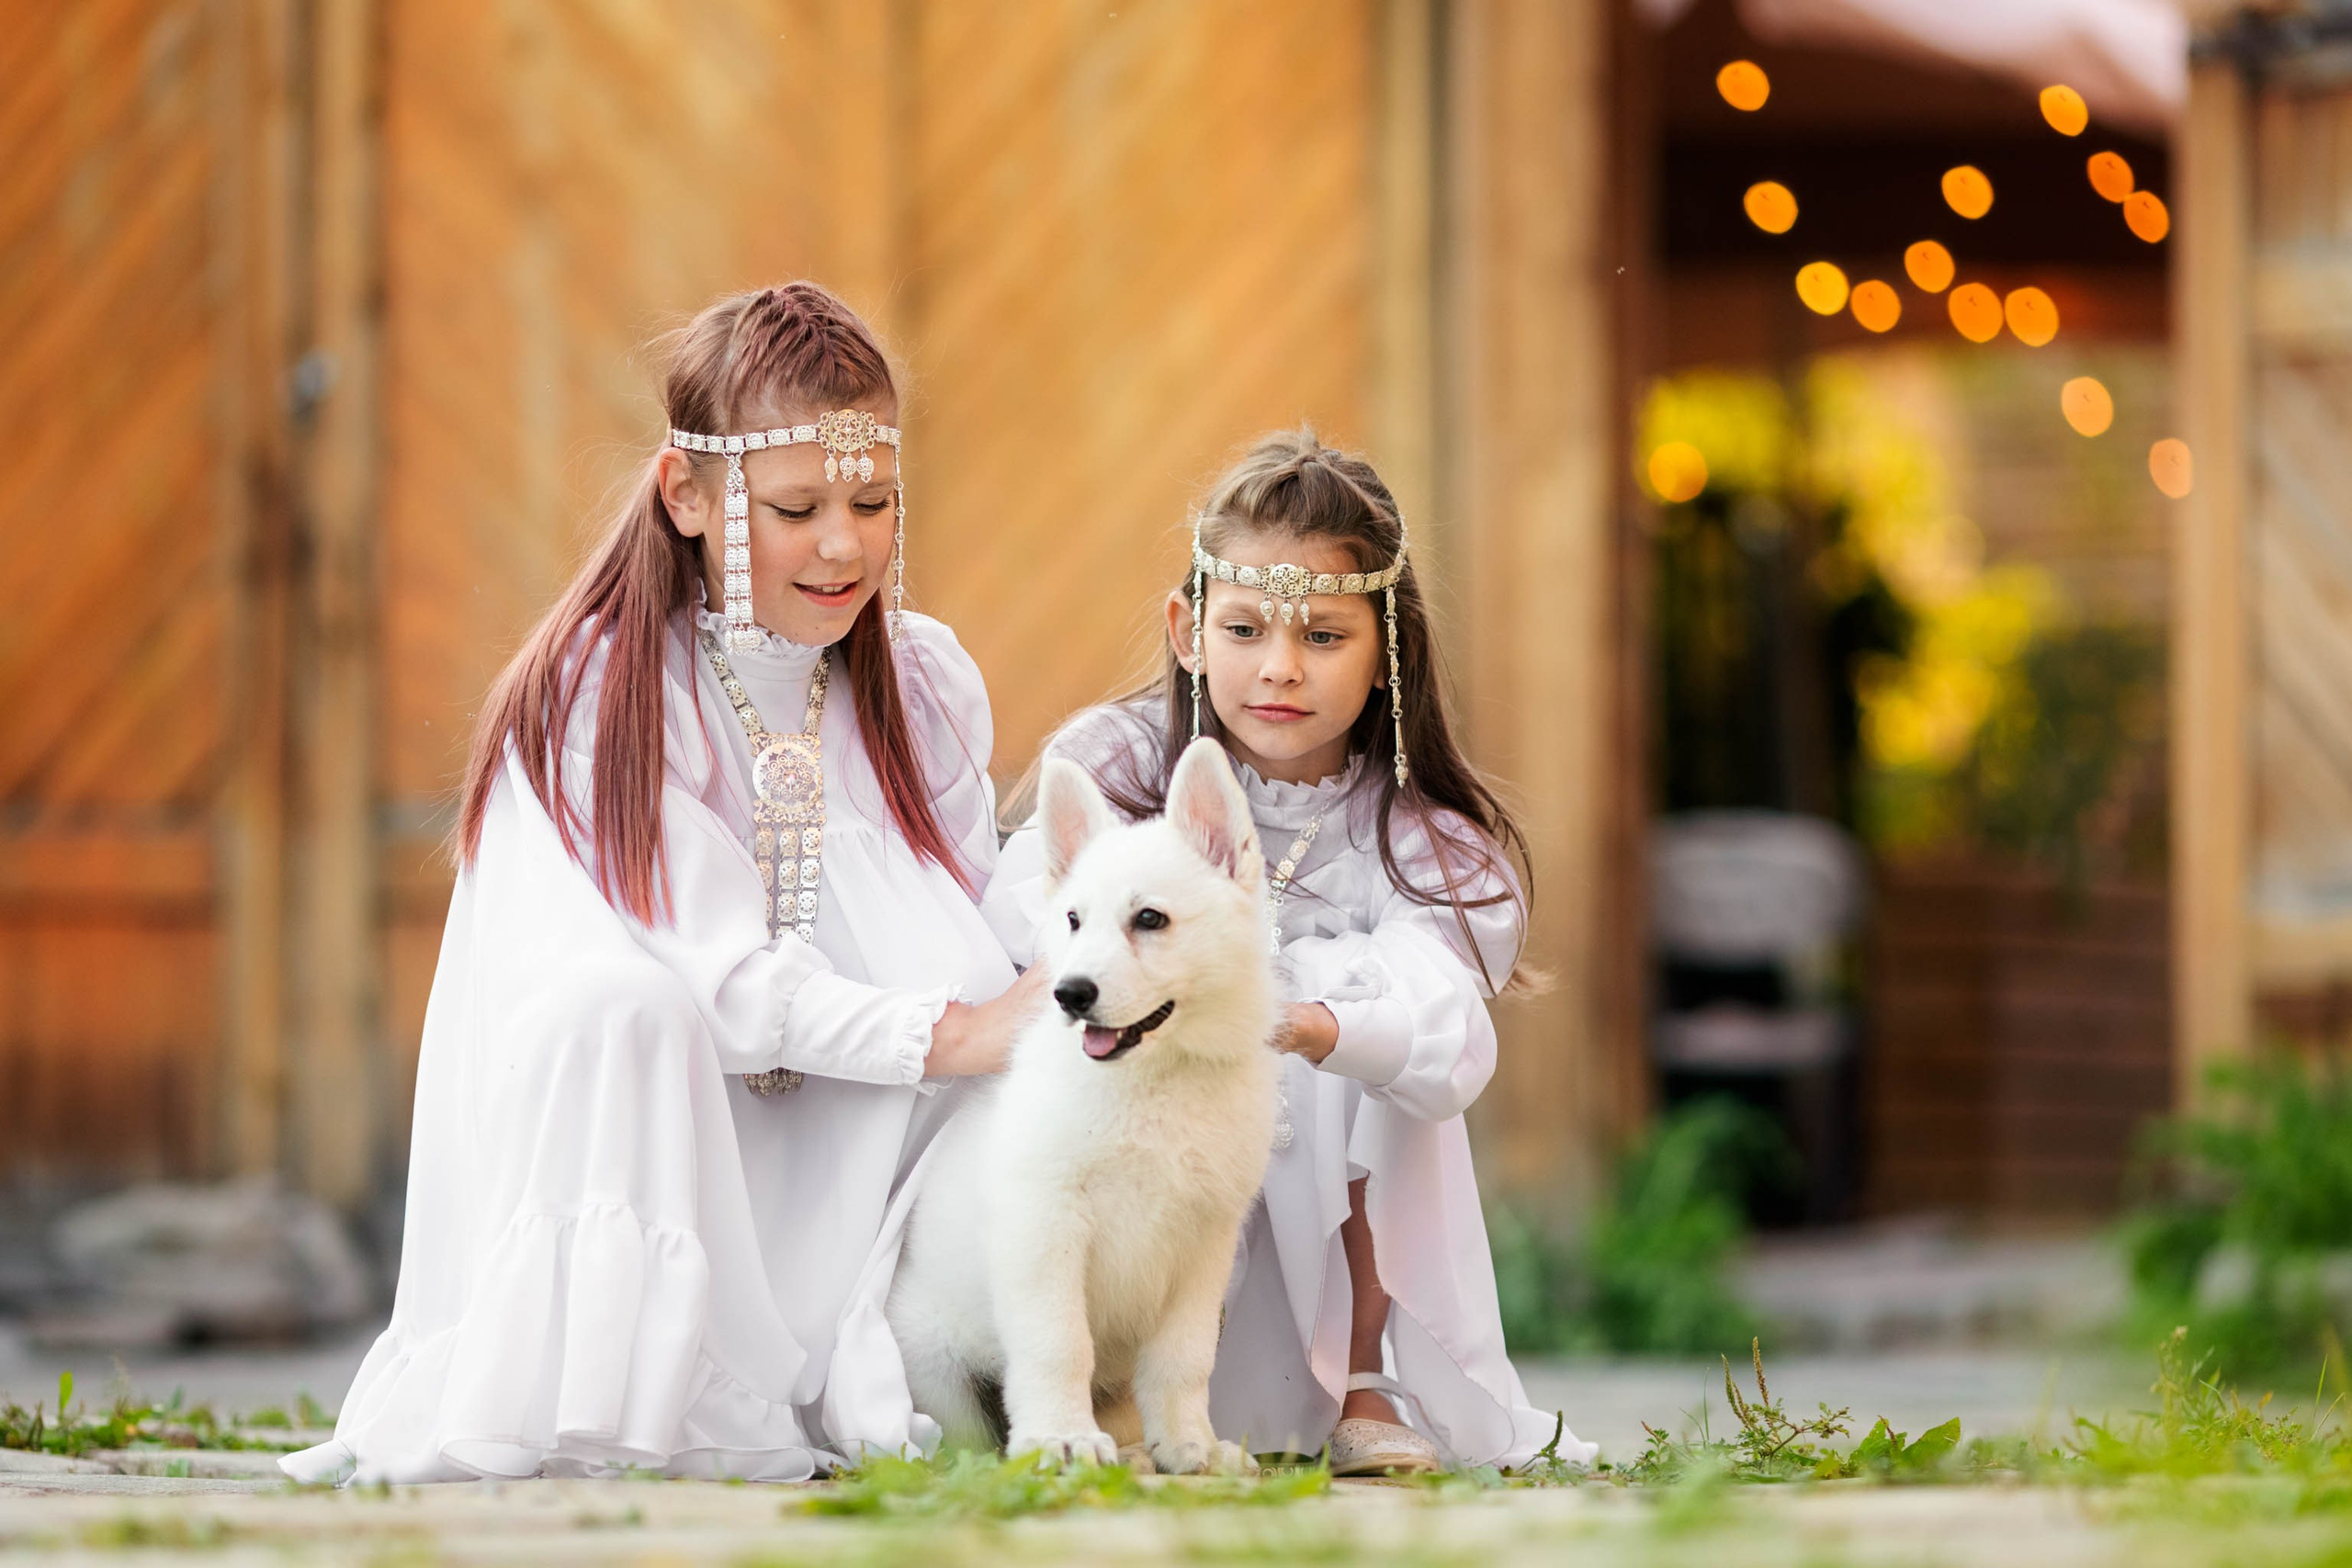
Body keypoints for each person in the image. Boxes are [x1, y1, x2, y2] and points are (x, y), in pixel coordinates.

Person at [284, 282, 1042, 1485]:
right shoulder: (615, 689)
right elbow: (728, 989)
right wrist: (954, 1030)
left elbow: (987, 905)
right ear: (687, 494)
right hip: (701, 1127)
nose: (843, 543)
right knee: (627, 1011)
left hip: (873, 1140)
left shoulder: (927, 679)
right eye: (796, 507)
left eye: (873, 501)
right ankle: (659, 1382)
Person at [986, 430, 1596, 1474]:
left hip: (1309, 1136)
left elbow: (1438, 1033)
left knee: (1348, 1050)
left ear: (1385, 650)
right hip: (1134, 1151)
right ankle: (1097, 1379)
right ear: (1188, 630)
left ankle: (1363, 1380)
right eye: (1244, 629)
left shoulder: (1408, 832)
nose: (1278, 668)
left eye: (1322, 636)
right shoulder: (1122, 763)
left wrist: (1310, 1024)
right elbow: (1028, 924)